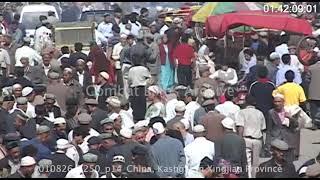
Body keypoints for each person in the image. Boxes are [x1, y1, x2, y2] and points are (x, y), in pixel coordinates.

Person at [234, 95, 266, 178]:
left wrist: (239, 141)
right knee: (255, 163)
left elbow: (241, 127)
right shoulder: (260, 113)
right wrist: (263, 144)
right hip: (257, 140)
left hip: (246, 139)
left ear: (246, 102)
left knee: (247, 162)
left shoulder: (242, 112)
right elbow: (263, 129)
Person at [267, 93, 300, 162]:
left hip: (288, 141)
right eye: (275, 102)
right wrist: (268, 144)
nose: (277, 103)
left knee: (289, 163)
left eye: (279, 101)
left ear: (283, 102)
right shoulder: (271, 112)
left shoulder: (290, 111)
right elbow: (269, 129)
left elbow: (296, 125)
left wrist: (290, 118)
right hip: (276, 140)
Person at [128, 56, 151, 122]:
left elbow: (129, 80)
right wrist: (146, 83)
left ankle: (135, 118)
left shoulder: (131, 70)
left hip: (134, 88)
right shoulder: (144, 69)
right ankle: (142, 117)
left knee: (134, 103)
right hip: (141, 88)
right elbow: (149, 77)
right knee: (142, 103)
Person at [308, 59, 320, 129]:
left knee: (313, 109)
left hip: (313, 92)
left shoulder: (311, 68)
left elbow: (307, 79)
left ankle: (314, 124)